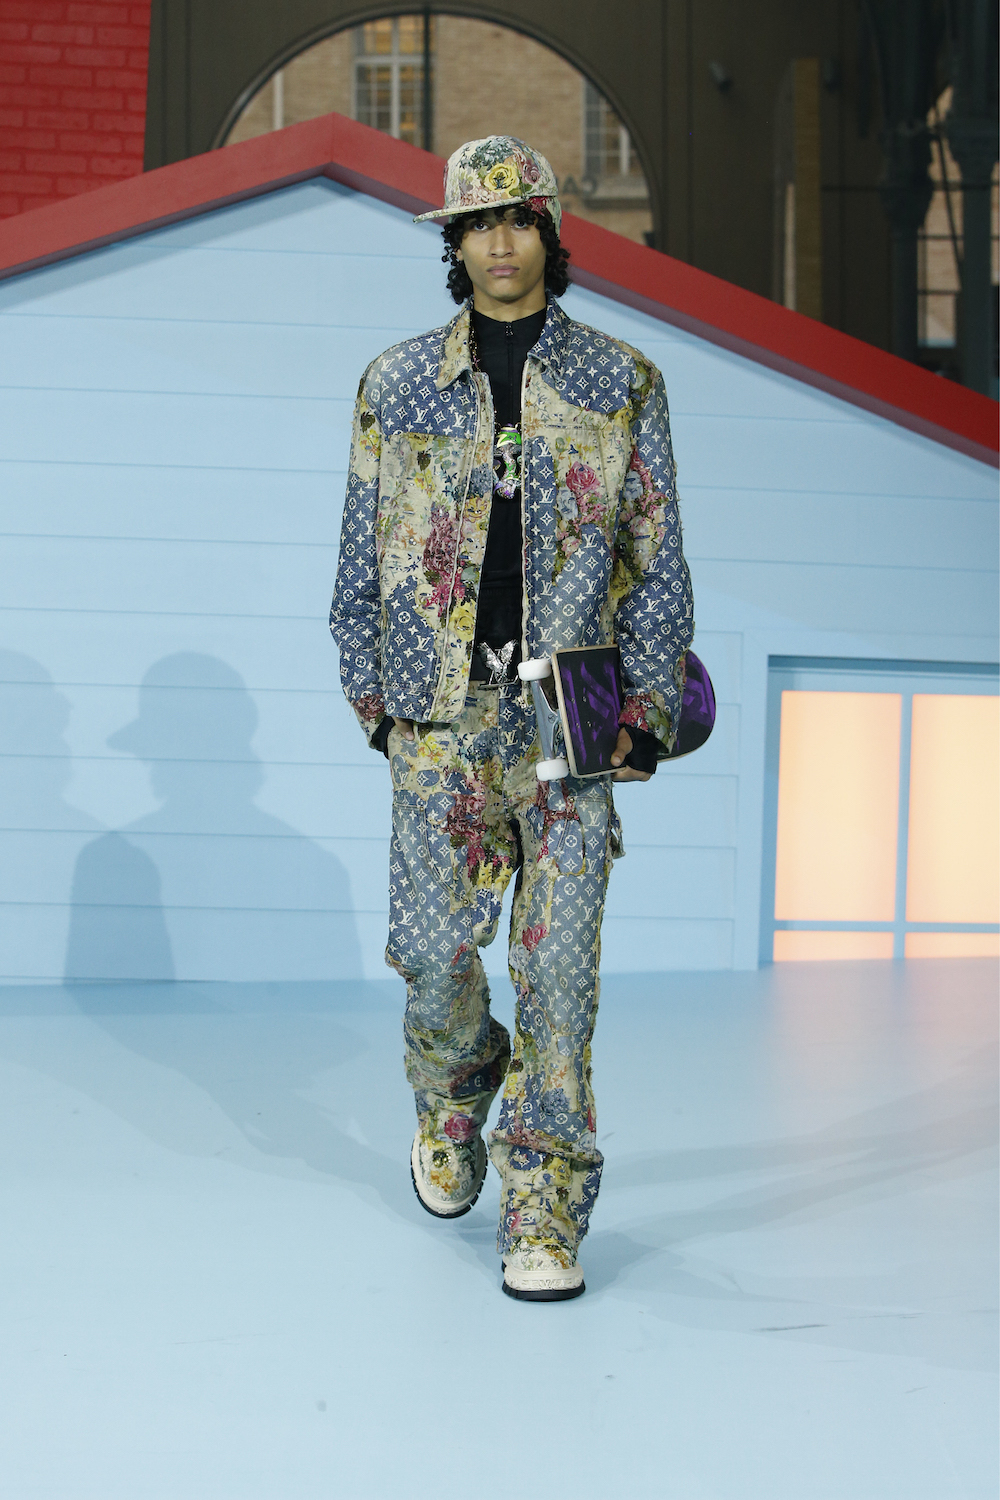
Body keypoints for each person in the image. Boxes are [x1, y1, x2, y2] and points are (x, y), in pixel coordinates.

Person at [330, 136, 693, 1301]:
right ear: (454, 242)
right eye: (477, 224)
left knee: (559, 972)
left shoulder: (622, 382)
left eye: (518, 220)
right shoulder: (395, 383)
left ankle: (544, 1208)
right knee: (435, 954)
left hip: (568, 712)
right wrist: (377, 707)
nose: (499, 242)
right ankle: (453, 1094)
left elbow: (654, 562)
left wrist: (642, 712)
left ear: (548, 232)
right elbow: (358, 560)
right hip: (438, 712)